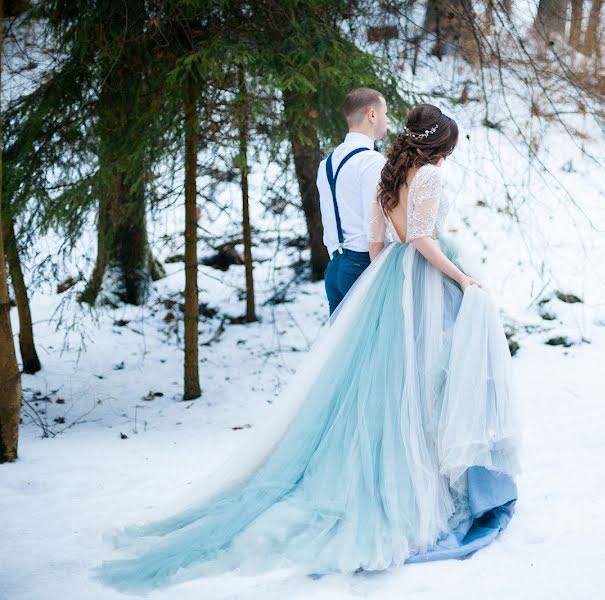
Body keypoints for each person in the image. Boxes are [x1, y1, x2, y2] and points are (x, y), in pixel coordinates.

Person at [96, 104, 521, 593]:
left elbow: (379, 242)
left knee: (386, 385)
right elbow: (424, 239)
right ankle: (429, 480)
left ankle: (417, 466)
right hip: (423, 278)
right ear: (439, 144)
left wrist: (380, 287)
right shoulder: (428, 177)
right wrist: (460, 276)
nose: (449, 154)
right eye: (449, 145)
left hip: (388, 278)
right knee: (425, 379)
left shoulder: (389, 173)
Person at [318, 87, 389, 315]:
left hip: (335, 267)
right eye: (385, 113)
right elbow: (375, 223)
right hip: (363, 266)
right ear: (371, 115)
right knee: (372, 347)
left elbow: (328, 217)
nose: (387, 120)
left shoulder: (326, 163)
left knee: (342, 349)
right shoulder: (371, 161)